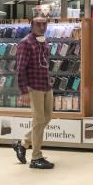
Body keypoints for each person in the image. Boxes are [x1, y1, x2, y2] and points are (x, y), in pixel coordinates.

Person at [13, 16, 54, 169]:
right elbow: (20, 69)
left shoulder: (44, 40)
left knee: (47, 117)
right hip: (34, 87)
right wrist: (24, 91)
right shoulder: (25, 43)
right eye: (38, 24)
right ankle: (36, 157)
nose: (41, 27)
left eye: (44, 24)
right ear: (32, 25)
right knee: (38, 120)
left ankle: (23, 143)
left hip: (46, 85)